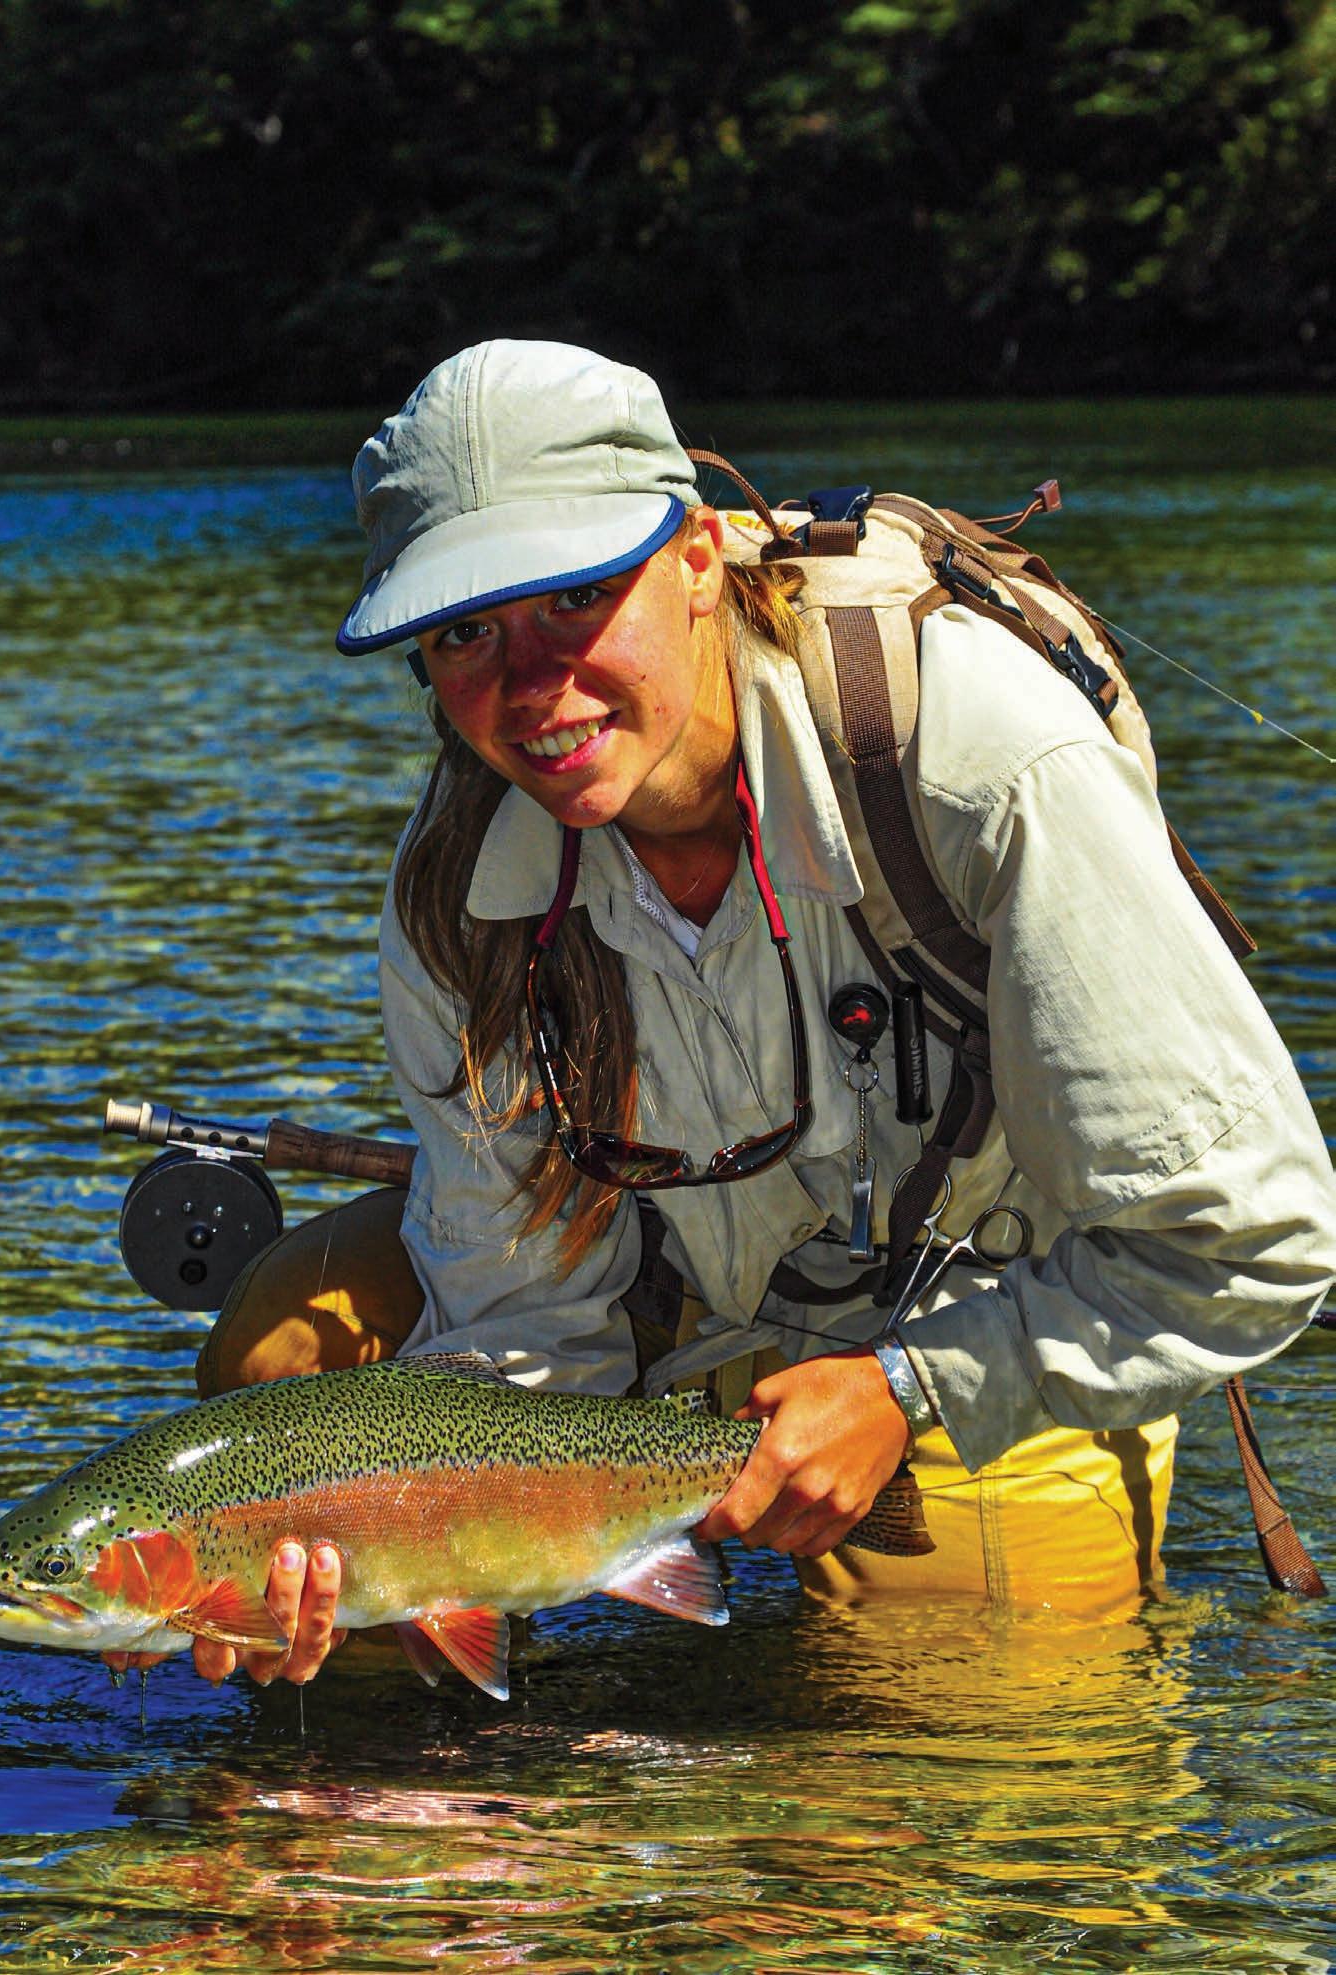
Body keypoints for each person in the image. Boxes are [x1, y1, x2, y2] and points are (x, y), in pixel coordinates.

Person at [174, 339, 1335, 1691]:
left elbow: (1254, 1242)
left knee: (962, 1747)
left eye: (576, 598)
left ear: (697, 558)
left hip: (984, 1328)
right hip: (659, 1316)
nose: (532, 686)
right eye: (464, 634)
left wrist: (908, 1390)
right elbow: (521, 1319)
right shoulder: (457, 886)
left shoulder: (979, 766)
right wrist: (407, 1556)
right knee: (287, 1369)